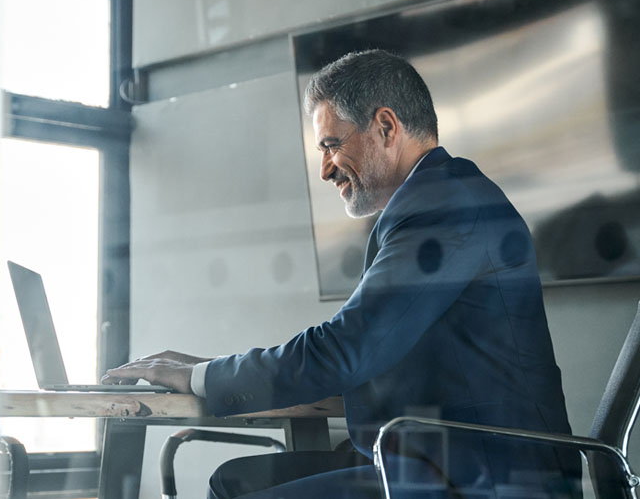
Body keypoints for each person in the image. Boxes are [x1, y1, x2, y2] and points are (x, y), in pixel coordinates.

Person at [103, 50, 580, 498]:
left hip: (487, 477)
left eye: (332, 145)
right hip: (438, 462)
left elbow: (347, 349)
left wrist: (206, 377)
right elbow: (367, 353)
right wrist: (207, 371)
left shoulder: (446, 208)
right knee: (234, 482)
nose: (326, 170)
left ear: (387, 127)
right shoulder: (433, 201)